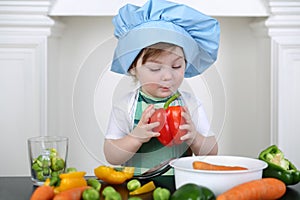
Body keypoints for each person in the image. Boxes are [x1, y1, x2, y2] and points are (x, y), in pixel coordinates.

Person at [104, 0, 220, 174]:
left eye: (176, 66)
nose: (167, 76)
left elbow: (212, 154)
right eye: (155, 68)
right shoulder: (126, 105)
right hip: (138, 188)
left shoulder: (190, 104)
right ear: (133, 68)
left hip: (180, 187)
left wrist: (195, 137)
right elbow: (111, 155)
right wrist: (135, 137)